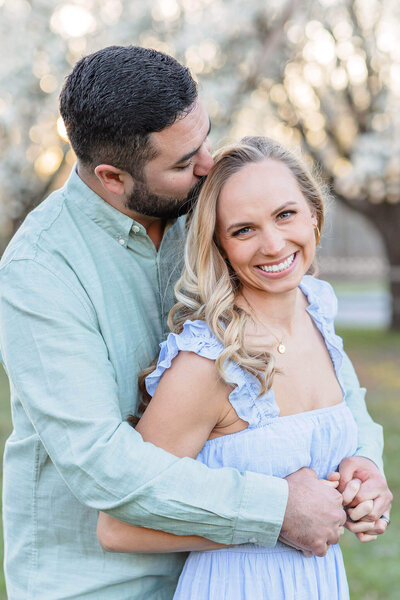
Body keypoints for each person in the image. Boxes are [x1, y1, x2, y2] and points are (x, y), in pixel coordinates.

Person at [0, 46, 391, 600]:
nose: (208, 165)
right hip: (101, 584)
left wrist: (363, 461)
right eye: (184, 163)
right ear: (113, 176)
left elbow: (319, 360)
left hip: (225, 571)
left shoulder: (206, 215)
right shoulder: (41, 274)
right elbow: (103, 464)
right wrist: (275, 510)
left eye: (204, 139)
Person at [96, 137, 392, 599]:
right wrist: (275, 523)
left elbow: (355, 419)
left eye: (285, 214)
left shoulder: (317, 311)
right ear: (219, 245)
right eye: (243, 230)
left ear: (314, 213)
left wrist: (366, 474)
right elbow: (117, 527)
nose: (273, 244)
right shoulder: (208, 363)